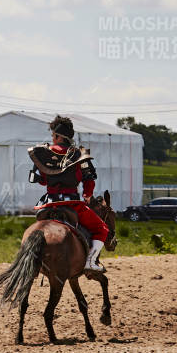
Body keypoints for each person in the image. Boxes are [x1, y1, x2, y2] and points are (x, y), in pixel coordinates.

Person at [27, 114, 110, 275]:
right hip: (72, 204)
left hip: (48, 204)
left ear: (59, 136)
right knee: (102, 228)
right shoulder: (80, 154)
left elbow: (41, 180)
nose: (52, 138)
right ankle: (91, 262)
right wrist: (87, 195)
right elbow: (89, 180)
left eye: (53, 135)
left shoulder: (43, 153)